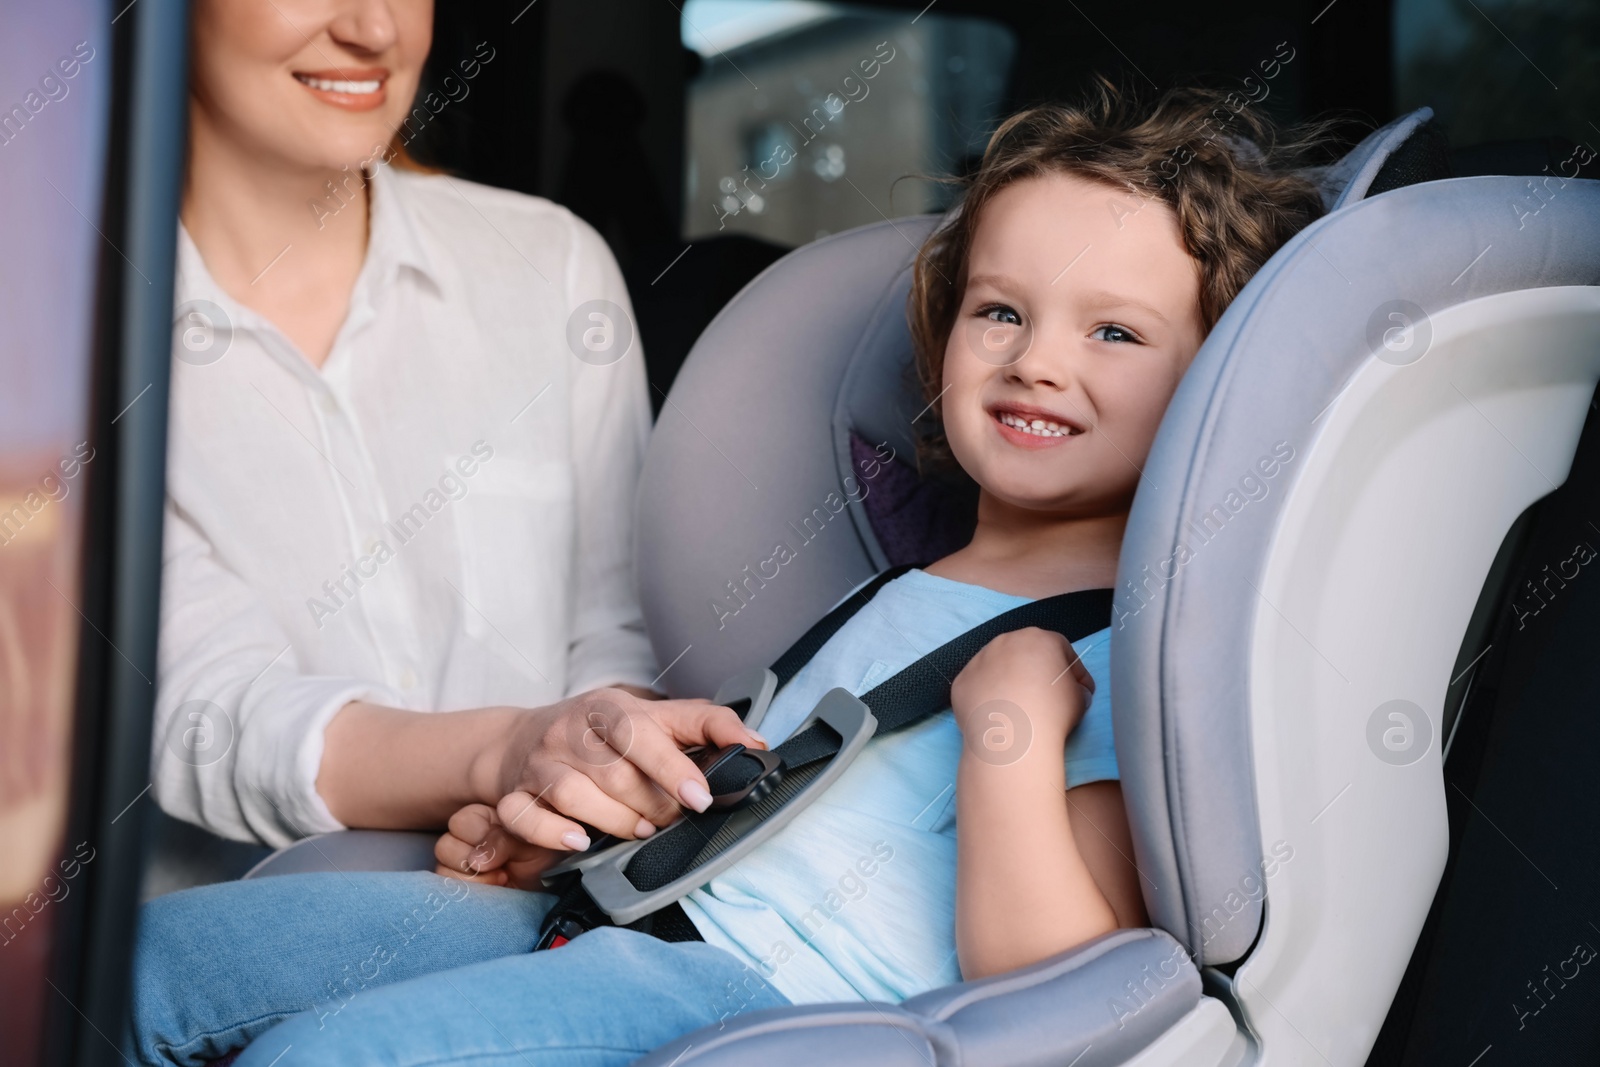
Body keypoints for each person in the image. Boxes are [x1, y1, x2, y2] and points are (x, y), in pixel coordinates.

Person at [130, 77, 1340, 1065]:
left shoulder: (1128, 654)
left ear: (1209, 388)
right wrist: (587, 832)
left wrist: (1012, 735)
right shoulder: (897, 590)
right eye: (999, 311)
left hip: (752, 999)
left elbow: (1050, 982)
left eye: (1115, 331)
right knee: (137, 970)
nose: (1036, 361)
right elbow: (774, 811)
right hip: (604, 911)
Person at [157, 0, 753, 854]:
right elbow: (209, 713)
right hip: (236, 951)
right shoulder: (53, 343)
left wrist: (582, 785)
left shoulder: (552, 269)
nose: (373, 29)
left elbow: (620, 626)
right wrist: (506, 755)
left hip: (548, 913)